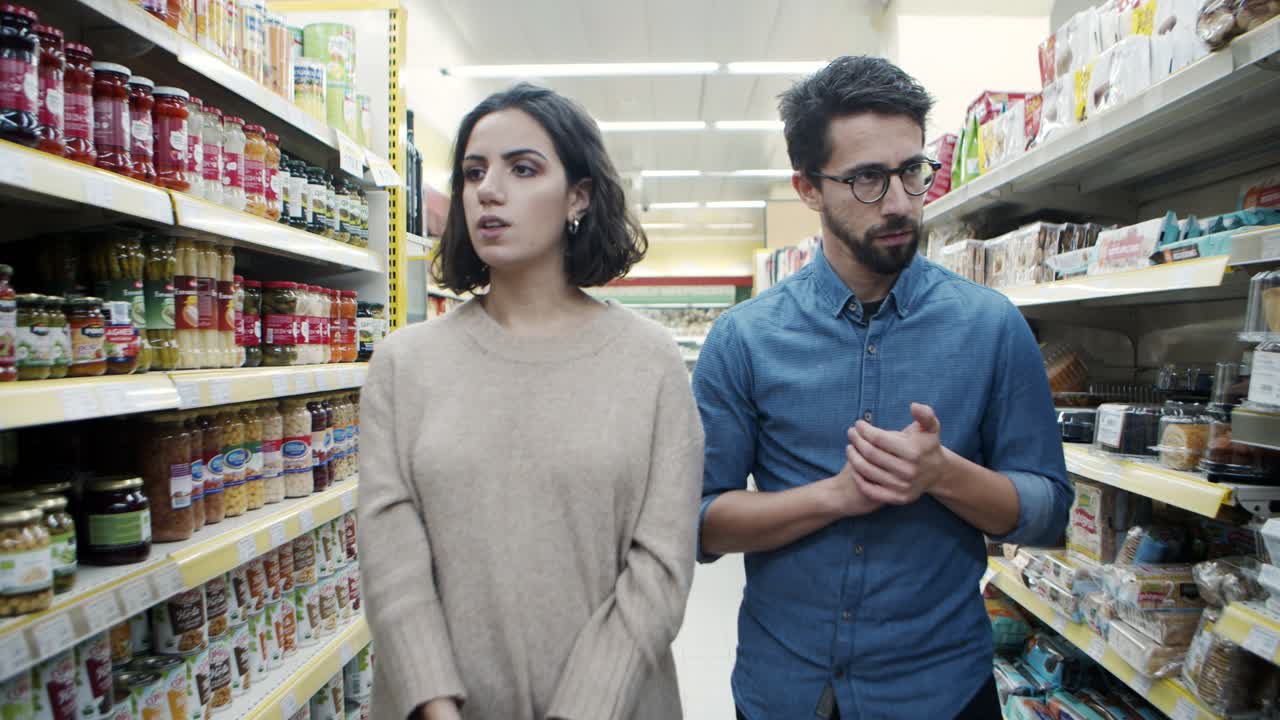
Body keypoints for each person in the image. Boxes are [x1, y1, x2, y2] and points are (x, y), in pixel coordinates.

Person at [693, 56, 1072, 719]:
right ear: (808, 187)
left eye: (911, 171)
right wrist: (834, 496)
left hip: (942, 693)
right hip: (787, 691)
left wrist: (944, 473)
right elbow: (699, 523)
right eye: (866, 177)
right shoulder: (743, 340)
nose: (898, 201)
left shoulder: (993, 328)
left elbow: (1049, 512)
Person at [358, 83, 704, 720]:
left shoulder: (648, 362)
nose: (489, 189)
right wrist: (436, 704)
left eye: (523, 169)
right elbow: (391, 556)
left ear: (579, 195)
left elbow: (661, 564)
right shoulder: (406, 364)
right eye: (473, 172)